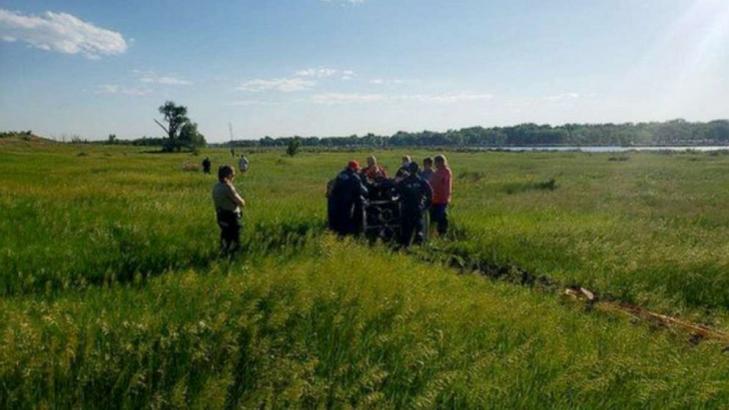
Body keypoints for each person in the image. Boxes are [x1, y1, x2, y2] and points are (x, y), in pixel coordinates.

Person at [396, 162, 432, 246]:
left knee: (406, 229)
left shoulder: (403, 182)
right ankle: (418, 243)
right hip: (417, 208)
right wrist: (425, 206)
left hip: (406, 209)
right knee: (418, 226)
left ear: (409, 170)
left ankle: (405, 245)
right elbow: (430, 194)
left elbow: (395, 193)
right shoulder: (422, 182)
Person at [212, 165, 246, 256]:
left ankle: (223, 254)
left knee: (225, 238)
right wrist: (243, 200)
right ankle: (232, 259)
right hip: (231, 218)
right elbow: (241, 203)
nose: (234, 177)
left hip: (220, 216)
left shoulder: (216, 186)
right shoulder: (228, 187)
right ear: (228, 175)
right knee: (235, 241)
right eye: (233, 175)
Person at [328, 160, 368, 235]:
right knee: (346, 220)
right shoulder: (354, 177)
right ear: (354, 169)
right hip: (347, 203)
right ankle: (347, 235)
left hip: (336, 203)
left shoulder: (340, 175)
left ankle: (337, 235)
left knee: (338, 221)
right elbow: (364, 191)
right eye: (357, 169)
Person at [430, 154, 452, 236]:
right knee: (434, 217)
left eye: (436, 162)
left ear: (440, 162)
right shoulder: (437, 171)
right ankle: (435, 232)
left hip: (442, 198)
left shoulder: (446, 171)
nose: (435, 164)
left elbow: (439, 182)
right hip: (435, 198)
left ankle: (442, 233)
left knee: (441, 217)